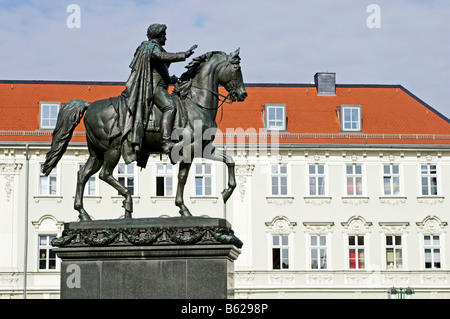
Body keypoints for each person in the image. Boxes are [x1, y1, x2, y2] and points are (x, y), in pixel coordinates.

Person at [121, 23, 197, 156]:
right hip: (154, 87)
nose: (166, 38)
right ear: (159, 36)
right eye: (164, 36)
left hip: (159, 84)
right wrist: (184, 54)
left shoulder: (156, 48)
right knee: (170, 107)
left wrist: (170, 79)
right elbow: (163, 57)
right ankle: (166, 141)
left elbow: (160, 67)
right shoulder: (150, 47)